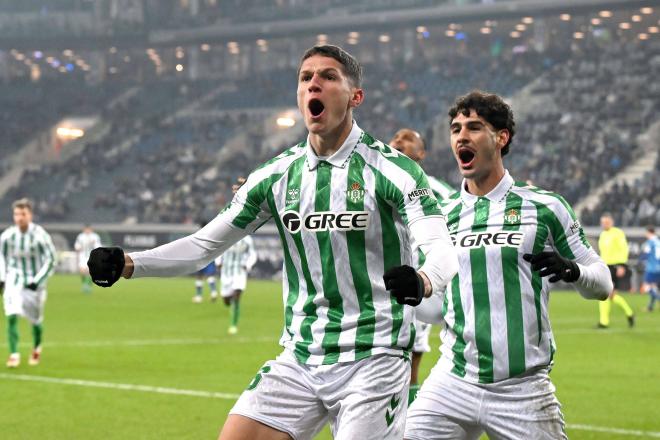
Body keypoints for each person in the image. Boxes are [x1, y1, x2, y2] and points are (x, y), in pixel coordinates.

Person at [88, 44, 458, 440]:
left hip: (374, 355)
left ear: (355, 97)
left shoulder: (395, 171)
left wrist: (422, 280)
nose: (314, 83)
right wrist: (129, 262)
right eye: (305, 78)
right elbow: (203, 245)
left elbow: (441, 249)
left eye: (328, 76)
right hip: (300, 356)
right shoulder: (275, 176)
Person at [405, 91, 612, 440]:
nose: (461, 136)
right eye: (456, 129)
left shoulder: (545, 207)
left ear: (502, 138)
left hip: (522, 390)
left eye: (474, 127)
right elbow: (438, 310)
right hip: (453, 380)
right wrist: (413, 292)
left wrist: (572, 271)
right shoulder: (442, 216)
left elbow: (604, 283)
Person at [389, 128, 456, 404]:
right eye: (395, 138)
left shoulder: (436, 190)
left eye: (408, 139)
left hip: (419, 285)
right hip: (376, 286)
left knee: (409, 356)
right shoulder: (370, 183)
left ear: (421, 154)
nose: (398, 141)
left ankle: (407, 418)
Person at [0, 198, 56, 368]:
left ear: (30, 215)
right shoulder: (8, 236)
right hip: (13, 281)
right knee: (11, 315)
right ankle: (14, 354)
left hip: (34, 285)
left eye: (23, 214)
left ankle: (37, 347)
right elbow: (1, 257)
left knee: (36, 321)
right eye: (16, 214)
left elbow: (51, 259)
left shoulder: (40, 235)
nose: (19, 217)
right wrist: (2, 278)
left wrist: (37, 280)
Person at [597, 213, 635, 328]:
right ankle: (629, 313)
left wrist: (622, 265)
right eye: (603, 222)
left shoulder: (618, 233)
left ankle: (604, 322)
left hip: (615, 266)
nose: (604, 224)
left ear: (612, 222)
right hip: (605, 267)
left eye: (606, 222)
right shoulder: (603, 234)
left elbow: (623, 249)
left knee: (605, 293)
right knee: (610, 295)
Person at [217, 235, 257, 334]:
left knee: (236, 297)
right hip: (226, 272)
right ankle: (231, 303)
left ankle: (233, 325)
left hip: (240, 272)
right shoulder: (226, 236)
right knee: (226, 301)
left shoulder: (247, 239)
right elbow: (218, 250)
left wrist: (248, 265)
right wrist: (218, 262)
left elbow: (253, 253)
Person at [74, 224, 102, 293]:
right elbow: (77, 246)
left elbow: (98, 246)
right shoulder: (80, 236)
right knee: (82, 271)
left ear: (91, 229)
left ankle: (87, 286)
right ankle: (85, 284)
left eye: (88, 229)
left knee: (89, 271)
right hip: (82, 256)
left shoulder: (95, 236)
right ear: (84, 229)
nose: (87, 230)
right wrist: (78, 248)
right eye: (86, 229)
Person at [640, 226, 660, 312]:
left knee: (646, 287)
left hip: (652, 268)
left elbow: (646, 254)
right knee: (654, 287)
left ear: (649, 232)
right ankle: (650, 307)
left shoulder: (650, 242)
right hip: (659, 268)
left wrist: (640, 262)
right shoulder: (658, 242)